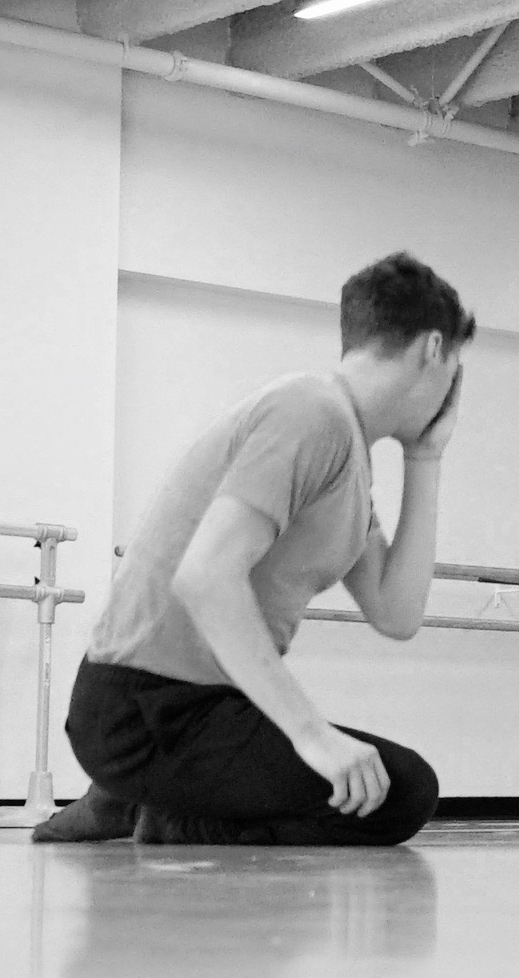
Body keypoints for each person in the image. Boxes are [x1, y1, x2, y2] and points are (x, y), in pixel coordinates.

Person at [36, 252, 472, 845]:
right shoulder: (312, 412)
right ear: (433, 349)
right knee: (402, 791)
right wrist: (312, 735)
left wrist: (427, 456)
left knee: (390, 784)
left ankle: (136, 798)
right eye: (455, 367)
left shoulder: (346, 451)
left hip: (203, 707)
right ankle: (146, 806)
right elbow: (206, 576)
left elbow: (397, 614)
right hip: (144, 710)